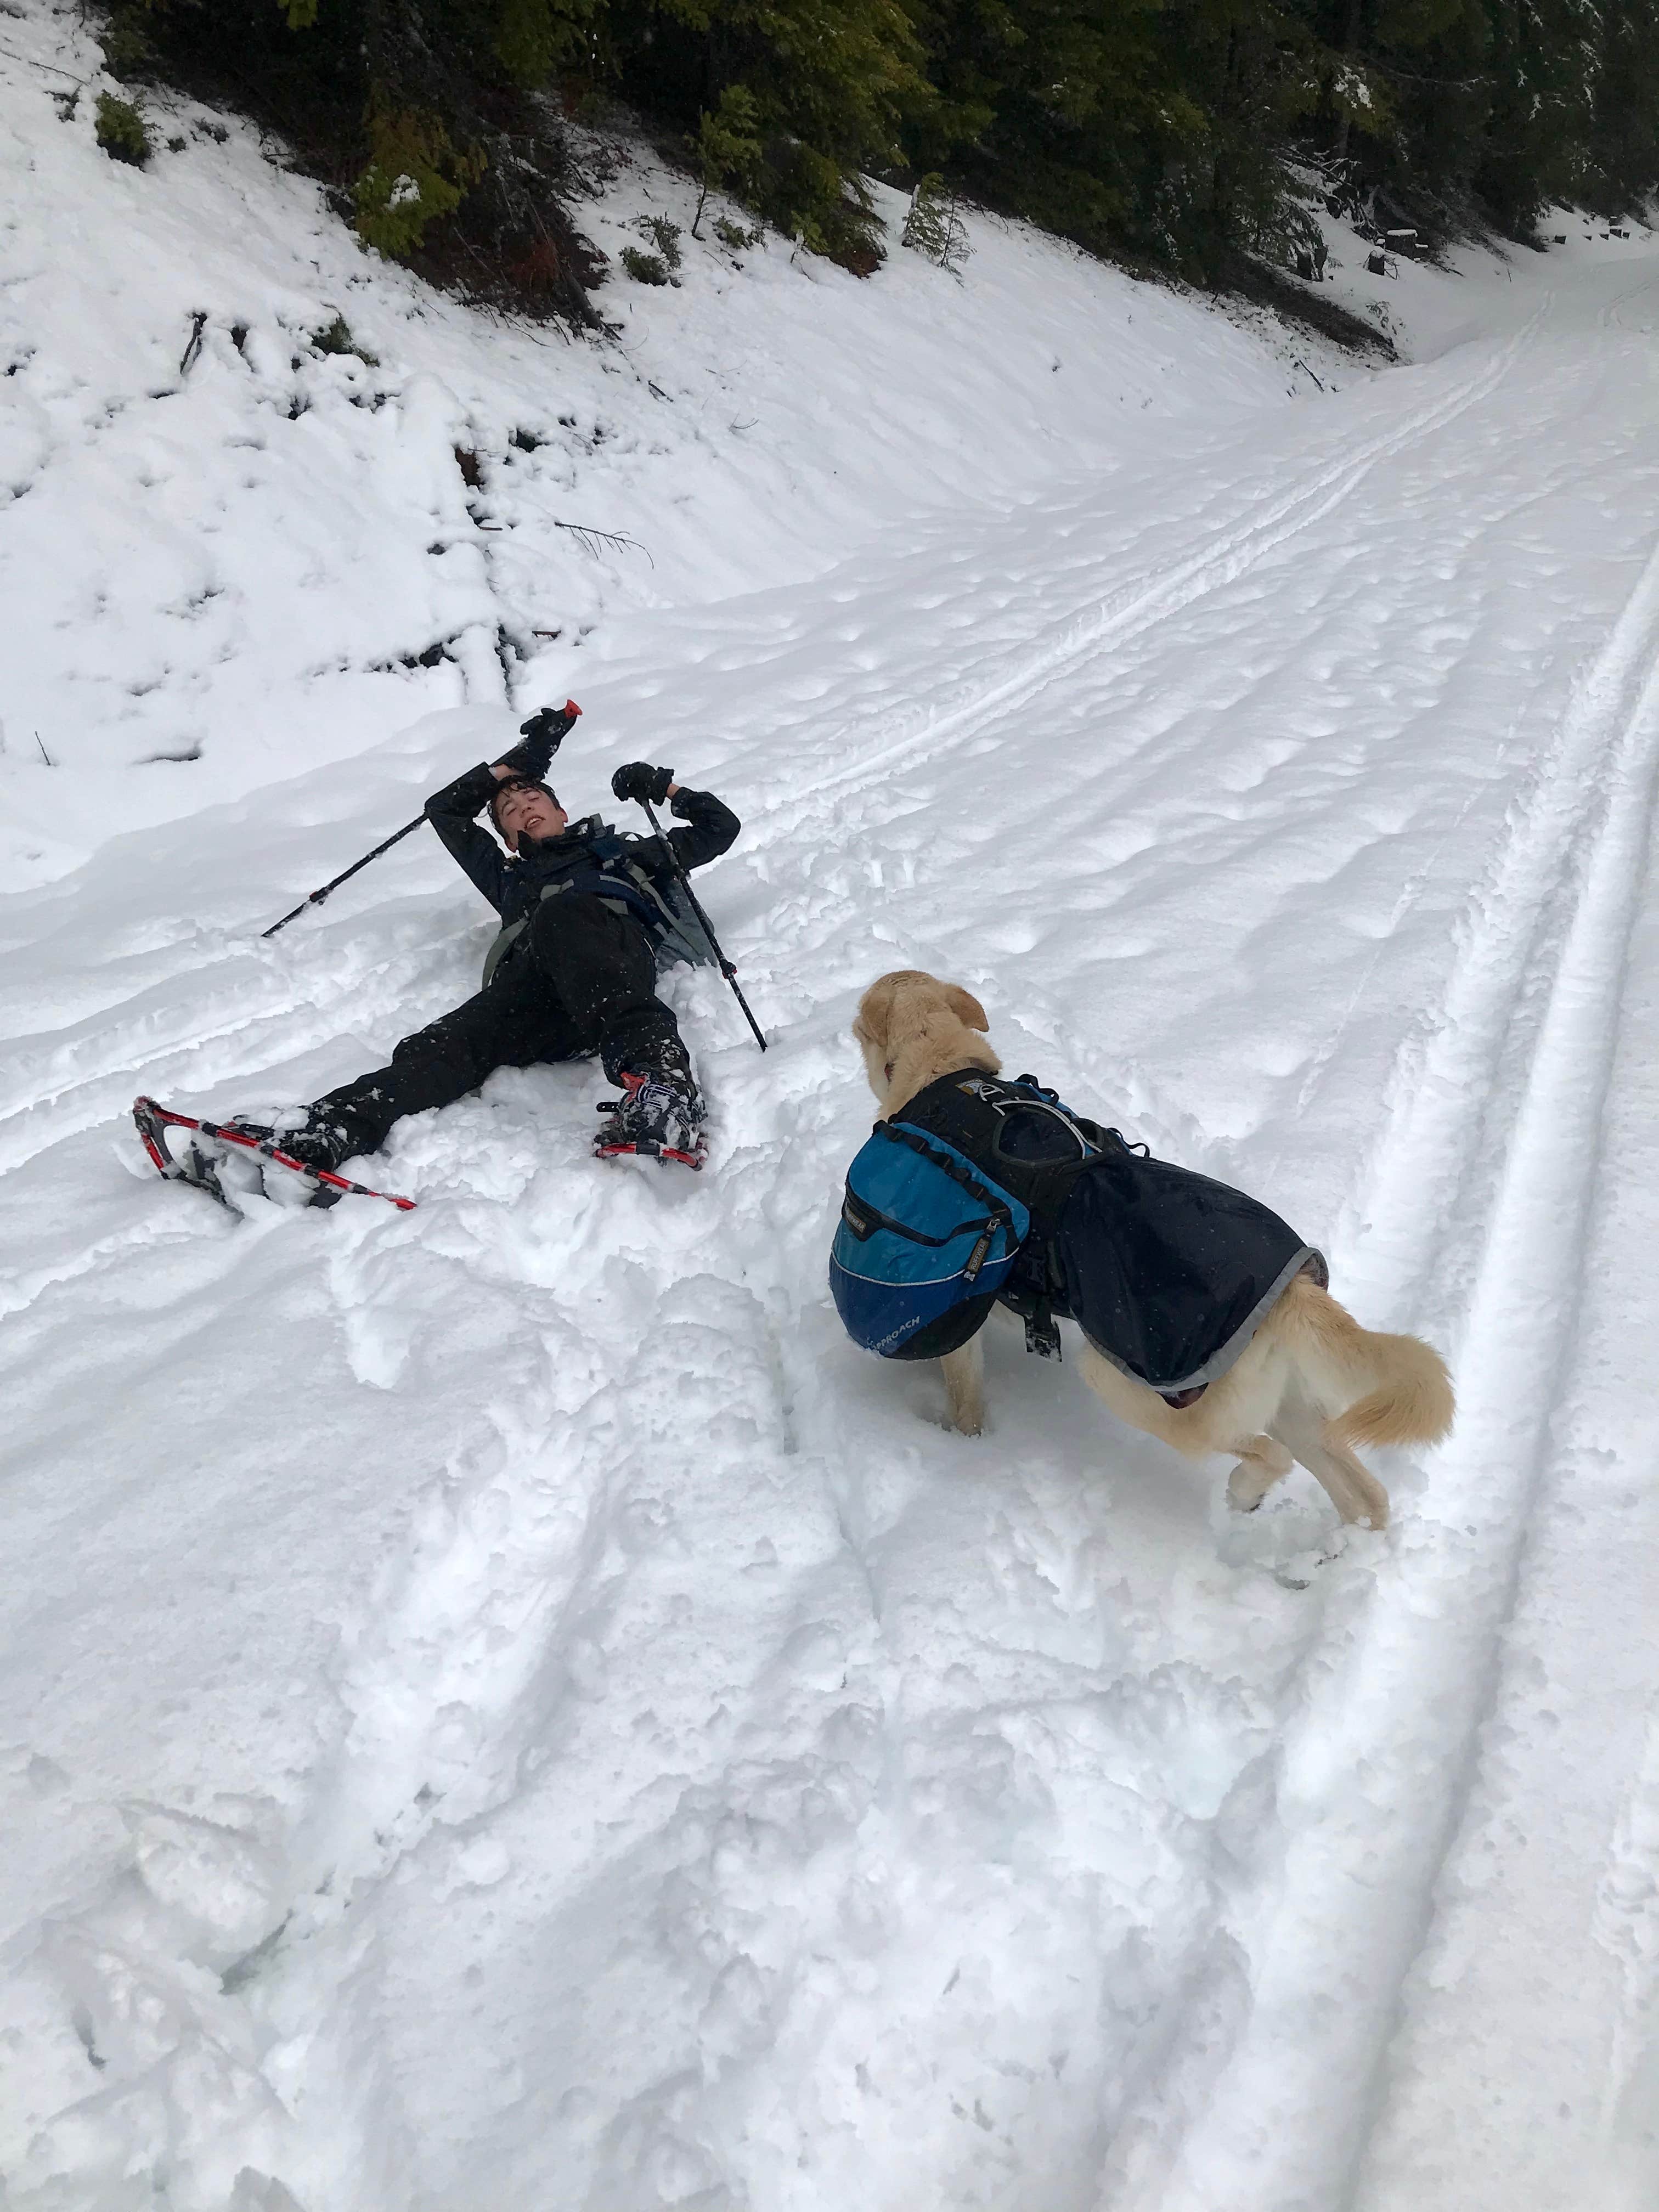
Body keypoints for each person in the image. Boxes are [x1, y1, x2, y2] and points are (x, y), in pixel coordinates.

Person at [230, 723, 741, 1180]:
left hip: (615, 971)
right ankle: (327, 1130)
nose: (524, 809)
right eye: (509, 813)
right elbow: (444, 811)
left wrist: (663, 788)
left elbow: (721, 828)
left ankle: (664, 1084)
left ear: (562, 812)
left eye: (533, 799)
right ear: (509, 841)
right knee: (445, 1043)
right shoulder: (510, 879)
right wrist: (517, 764)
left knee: (563, 913)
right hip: (539, 999)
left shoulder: (624, 854)